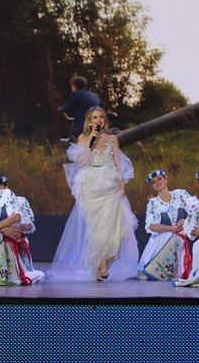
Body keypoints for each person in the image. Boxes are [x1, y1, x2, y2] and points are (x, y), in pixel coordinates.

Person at [48, 106, 139, 281]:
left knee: (117, 229)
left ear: (105, 120)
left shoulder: (113, 139)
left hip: (110, 185)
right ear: (89, 121)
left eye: (101, 117)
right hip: (90, 186)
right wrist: (90, 142)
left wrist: (122, 183)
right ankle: (101, 266)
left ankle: (101, 265)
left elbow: (118, 162)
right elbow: (81, 162)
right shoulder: (83, 139)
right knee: (96, 228)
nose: (98, 120)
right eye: (94, 117)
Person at [136, 169, 193, 281]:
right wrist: (171, 228)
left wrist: (186, 220)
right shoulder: (153, 203)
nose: (157, 182)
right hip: (163, 238)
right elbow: (151, 225)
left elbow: (196, 209)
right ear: (152, 187)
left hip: (180, 236)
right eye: (153, 182)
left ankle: (178, 270)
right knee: (171, 235)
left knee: (178, 236)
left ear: (166, 180)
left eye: (159, 179)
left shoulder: (180, 194)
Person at [0, 175, 36, 271]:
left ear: (6, 187)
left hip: (15, 239)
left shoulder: (19, 201)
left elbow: (29, 225)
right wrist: (3, 228)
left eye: (0, 189)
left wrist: (13, 226)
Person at [57, 76, 102, 142]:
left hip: (83, 124)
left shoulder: (76, 94)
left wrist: (61, 109)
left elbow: (68, 106)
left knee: (74, 133)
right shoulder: (94, 95)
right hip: (97, 123)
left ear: (74, 85)